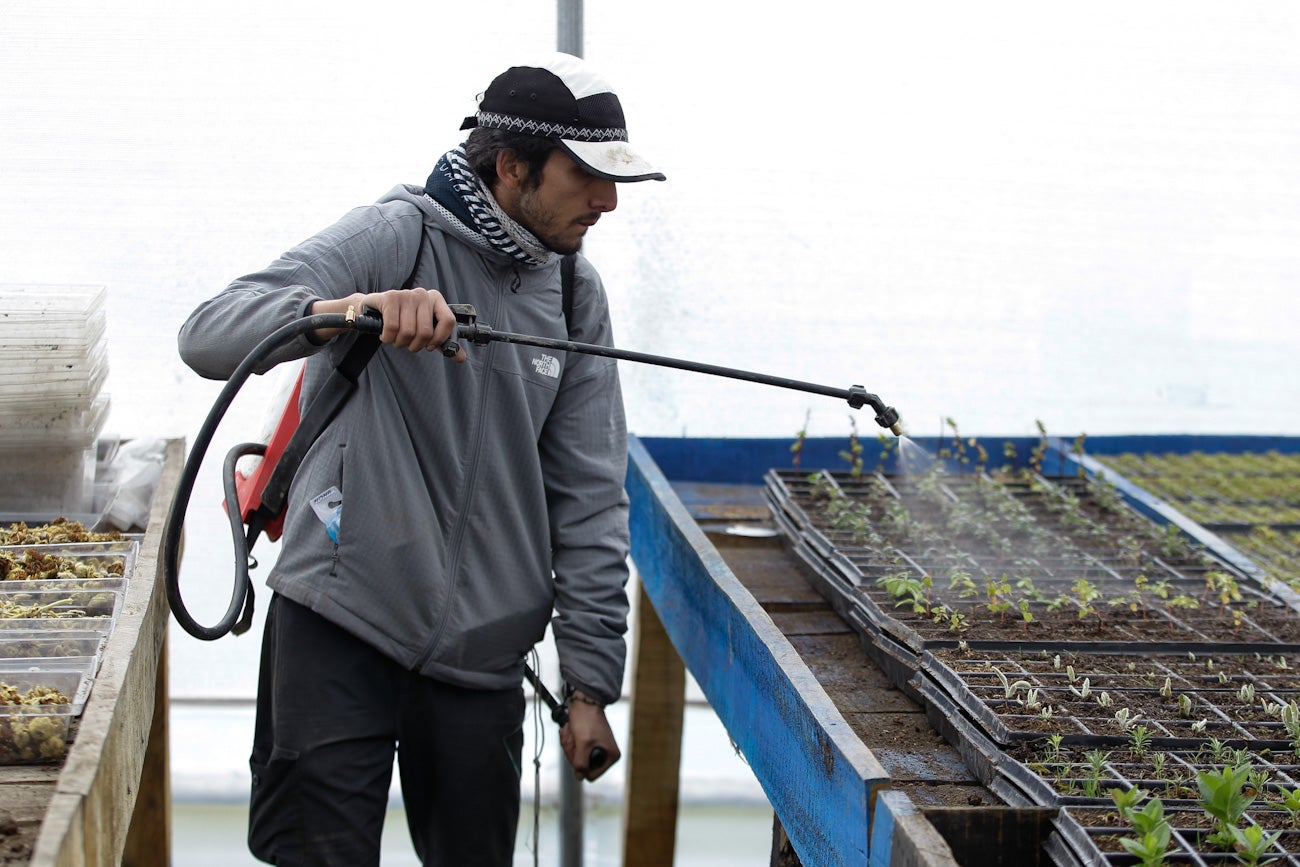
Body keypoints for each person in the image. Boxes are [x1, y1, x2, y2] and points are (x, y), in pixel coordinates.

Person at [177, 52, 665, 866]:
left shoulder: (576, 295)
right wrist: (349, 311)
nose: (607, 200)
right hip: (340, 621)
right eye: (585, 175)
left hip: (483, 661)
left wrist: (588, 683)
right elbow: (208, 332)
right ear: (512, 167)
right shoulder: (397, 234)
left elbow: (589, 496)